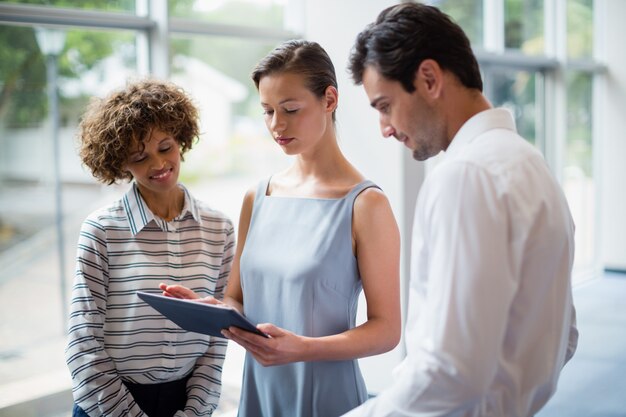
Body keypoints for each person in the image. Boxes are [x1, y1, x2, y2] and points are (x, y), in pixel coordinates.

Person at [342, 3, 579, 417]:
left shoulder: (466, 175)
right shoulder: (529, 162)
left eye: (384, 105)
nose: (385, 128)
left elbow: (451, 370)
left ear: (429, 78)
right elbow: (565, 336)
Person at [161, 39, 401, 417]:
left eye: (290, 109)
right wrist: (213, 311)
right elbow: (237, 299)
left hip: (328, 398)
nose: (277, 125)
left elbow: (387, 330)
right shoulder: (257, 197)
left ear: (330, 99)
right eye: (268, 111)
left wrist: (302, 348)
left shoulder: (366, 205)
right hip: (261, 395)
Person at [65, 79, 235, 417]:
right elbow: (83, 343)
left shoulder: (220, 228)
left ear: (181, 140)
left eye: (165, 147)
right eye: (140, 157)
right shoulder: (101, 230)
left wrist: (195, 411)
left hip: (185, 400)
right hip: (109, 403)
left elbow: (217, 338)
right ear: (120, 163)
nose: (158, 164)